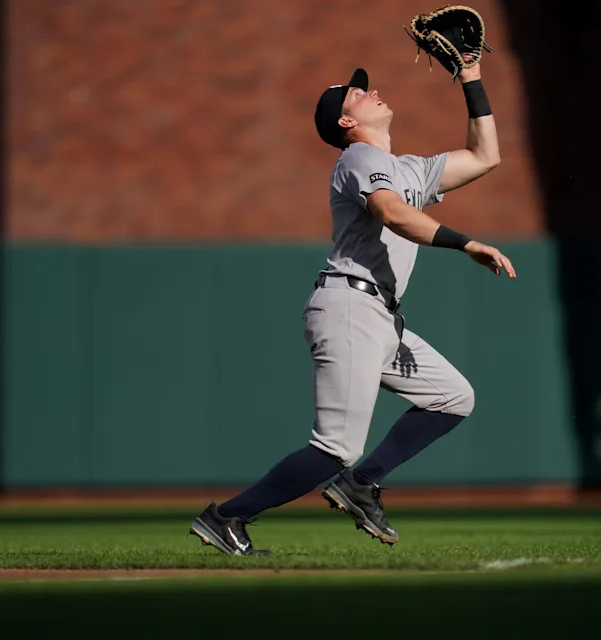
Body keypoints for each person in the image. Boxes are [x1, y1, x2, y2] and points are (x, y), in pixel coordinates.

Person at [189, 63, 516, 556]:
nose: (372, 91)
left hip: (379, 315)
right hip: (350, 305)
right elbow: (392, 213)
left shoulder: (410, 168)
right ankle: (227, 517)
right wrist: (464, 242)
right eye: (358, 94)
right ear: (347, 123)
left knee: (452, 397)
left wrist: (470, 77)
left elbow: (484, 155)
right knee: (336, 447)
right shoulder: (359, 157)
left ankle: (360, 484)